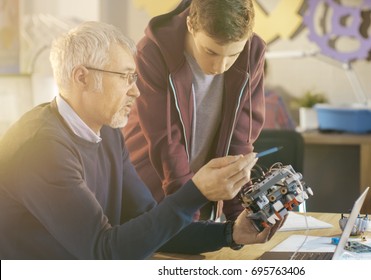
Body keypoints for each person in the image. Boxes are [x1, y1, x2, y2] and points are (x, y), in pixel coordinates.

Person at [0, 21, 283, 260]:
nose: (136, 91)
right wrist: (196, 191)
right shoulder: (41, 149)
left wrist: (230, 232)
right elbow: (103, 253)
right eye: (125, 77)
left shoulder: (108, 133)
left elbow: (151, 226)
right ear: (82, 78)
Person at [122, 0, 266, 221]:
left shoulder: (252, 52)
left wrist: (239, 214)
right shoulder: (151, 52)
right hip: (148, 192)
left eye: (233, 54)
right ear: (191, 25)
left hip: (204, 200)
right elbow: (167, 145)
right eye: (211, 51)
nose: (220, 67)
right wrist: (189, 216)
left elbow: (239, 141)